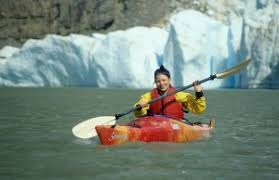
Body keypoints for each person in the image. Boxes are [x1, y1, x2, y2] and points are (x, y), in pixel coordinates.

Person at [134, 65, 206, 122]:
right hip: (154, 123)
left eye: (164, 80)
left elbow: (198, 109)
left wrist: (199, 93)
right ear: (155, 82)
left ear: (169, 80)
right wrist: (139, 108)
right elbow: (138, 114)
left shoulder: (179, 95)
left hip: (176, 124)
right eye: (158, 81)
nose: (161, 83)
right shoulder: (148, 96)